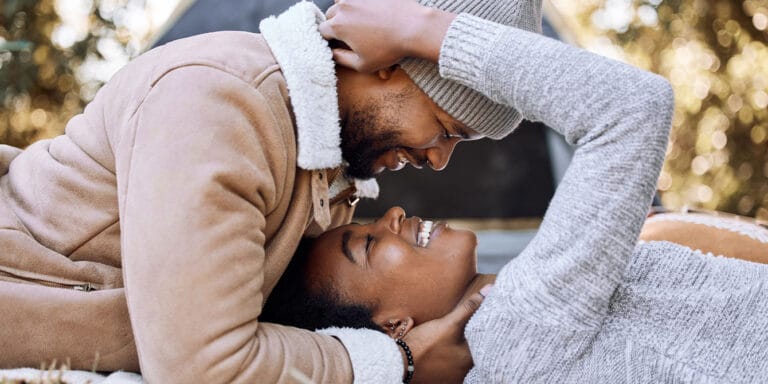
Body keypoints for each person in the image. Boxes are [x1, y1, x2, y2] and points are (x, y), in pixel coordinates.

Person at [0, 0, 546, 383]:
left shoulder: (324, 170)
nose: (439, 159)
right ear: (389, 66)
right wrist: (394, 361)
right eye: (447, 128)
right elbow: (203, 370)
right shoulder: (225, 104)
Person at [313, 0, 768, 381]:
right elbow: (632, 108)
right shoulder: (507, 339)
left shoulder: (516, 323)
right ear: (395, 328)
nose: (391, 213)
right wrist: (420, 31)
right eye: (367, 243)